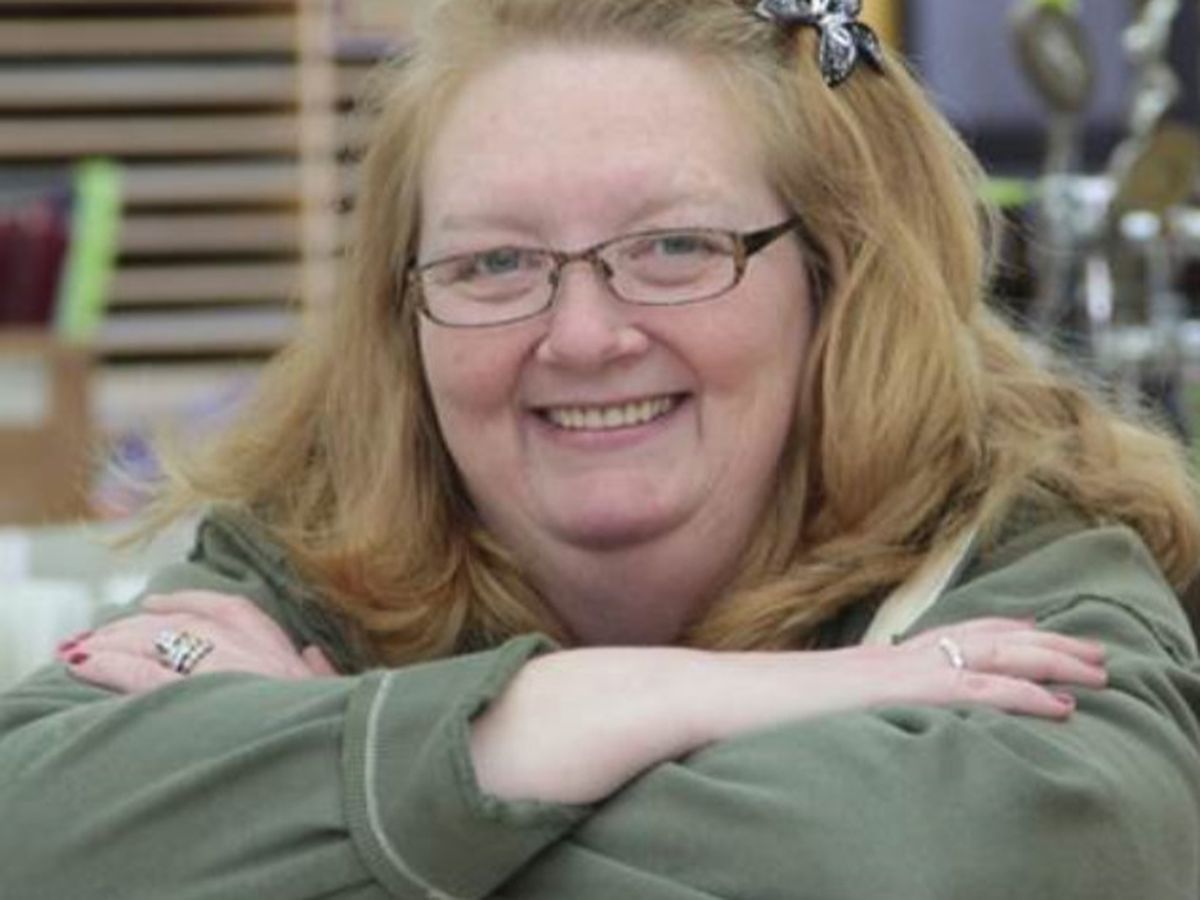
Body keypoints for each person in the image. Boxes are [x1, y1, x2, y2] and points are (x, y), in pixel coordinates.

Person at [4, 0, 1200, 897]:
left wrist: (343, 771)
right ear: (402, 312)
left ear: (838, 281)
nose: (582, 336)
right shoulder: (331, 537)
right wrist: (543, 721)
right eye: (494, 262)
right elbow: (32, 827)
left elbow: (990, 864)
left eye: (677, 247)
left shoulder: (1028, 548)